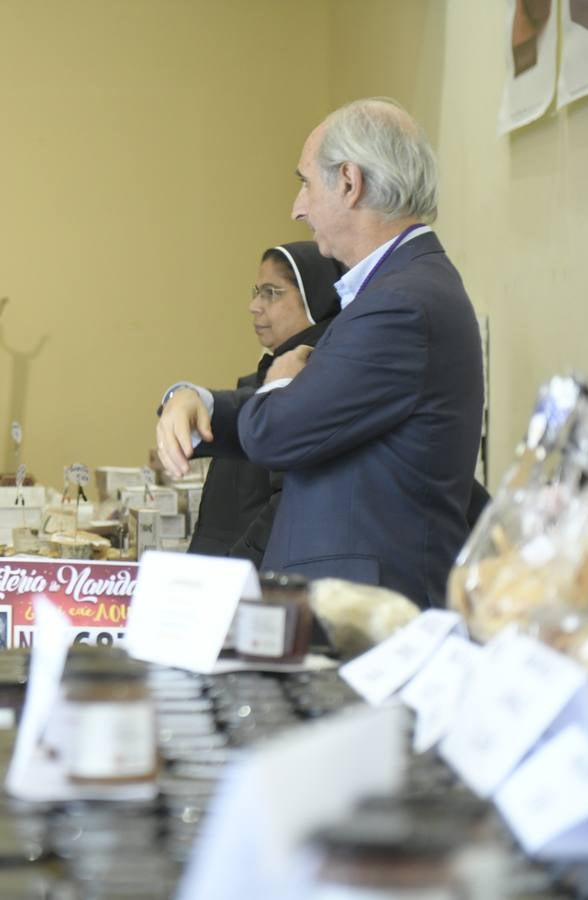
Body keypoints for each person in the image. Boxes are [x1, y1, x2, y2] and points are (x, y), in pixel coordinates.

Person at [157, 98, 484, 608]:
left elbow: (280, 430)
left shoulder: (400, 303)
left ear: (350, 183)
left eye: (306, 182)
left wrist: (282, 382)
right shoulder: (395, 289)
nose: (297, 206)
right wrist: (198, 401)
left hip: (369, 613)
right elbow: (314, 406)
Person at [188, 242, 344, 565]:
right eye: (256, 292)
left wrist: (238, 568)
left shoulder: (313, 382)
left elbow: (289, 502)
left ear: (315, 298)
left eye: (272, 293)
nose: (254, 306)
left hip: (251, 581)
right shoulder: (270, 372)